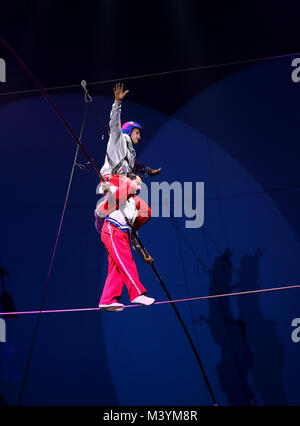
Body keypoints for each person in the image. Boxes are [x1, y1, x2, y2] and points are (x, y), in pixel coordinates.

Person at [96, 174, 155, 312]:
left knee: (117, 268)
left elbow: (134, 235)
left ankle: (107, 300)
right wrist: (113, 182)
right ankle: (137, 293)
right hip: (112, 229)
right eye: (137, 181)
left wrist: (143, 254)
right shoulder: (117, 193)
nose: (139, 185)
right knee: (126, 263)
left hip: (123, 234)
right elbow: (100, 211)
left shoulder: (134, 205)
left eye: (141, 184)